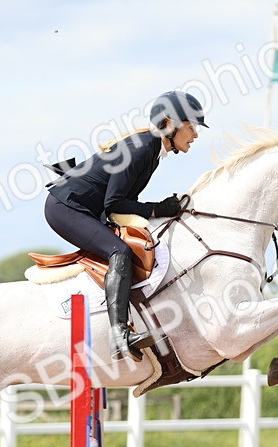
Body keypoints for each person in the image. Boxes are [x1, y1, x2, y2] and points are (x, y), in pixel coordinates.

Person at [45, 90, 207, 360]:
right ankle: (120, 334)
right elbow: (115, 203)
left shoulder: (152, 149)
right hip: (66, 207)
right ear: (169, 124)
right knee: (120, 252)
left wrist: (159, 211)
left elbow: (125, 201)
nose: (196, 135)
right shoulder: (142, 147)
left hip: (81, 207)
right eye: (191, 127)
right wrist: (157, 209)